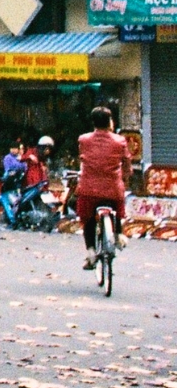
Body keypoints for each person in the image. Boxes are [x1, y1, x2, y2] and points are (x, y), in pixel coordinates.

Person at [76, 107, 132, 270]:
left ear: (93, 122)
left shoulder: (84, 140)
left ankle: (91, 253)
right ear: (109, 122)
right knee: (118, 205)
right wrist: (127, 174)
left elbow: (82, 158)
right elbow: (127, 163)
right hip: (112, 189)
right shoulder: (120, 141)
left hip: (89, 189)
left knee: (88, 220)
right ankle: (119, 234)